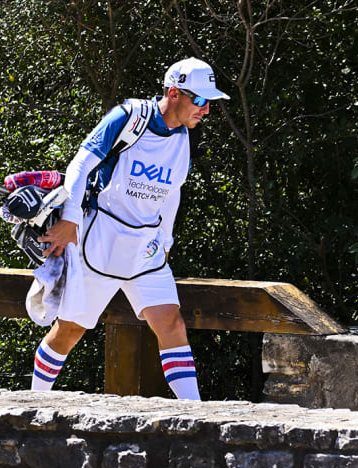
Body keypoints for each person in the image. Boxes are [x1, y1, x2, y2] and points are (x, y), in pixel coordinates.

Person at [30, 57, 229, 400]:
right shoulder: (129, 117)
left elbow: (171, 194)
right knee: (70, 331)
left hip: (146, 248)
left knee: (171, 323)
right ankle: (30, 404)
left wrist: (166, 239)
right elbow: (80, 164)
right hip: (100, 241)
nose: (206, 110)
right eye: (199, 100)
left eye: (209, 102)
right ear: (174, 93)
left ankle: (196, 415)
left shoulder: (183, 138)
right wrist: (70, 220)